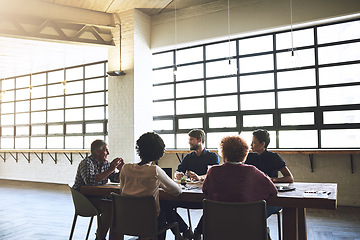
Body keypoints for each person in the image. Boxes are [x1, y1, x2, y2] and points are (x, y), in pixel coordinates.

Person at [202, 135, 278, 240]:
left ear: (223, 152)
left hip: (219, 228)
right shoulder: (252, 171)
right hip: (248, 228)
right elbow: (273, 191)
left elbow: (205, 190)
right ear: (244, 153)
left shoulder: (213, 171)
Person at [119, 132, 182, 240]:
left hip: (127, 219)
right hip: (150, 222)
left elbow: (122, 191)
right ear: (159, 152)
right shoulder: (154, 170)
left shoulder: (125, 168)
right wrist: (161, 185)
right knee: (164, 211)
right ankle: (183, 233)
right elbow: (177, 191)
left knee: (163, 206)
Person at [73, 139, 124, 240]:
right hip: (84, 199)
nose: (108, 153)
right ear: (97, 152)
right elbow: (90, 181)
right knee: (111, 207)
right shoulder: (86, 163)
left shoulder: (105, 163)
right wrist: (110, 169)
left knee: (118, 204)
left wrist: (122, 170)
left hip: (99, 197)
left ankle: (113, 238)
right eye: (106, 150)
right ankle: (100, 237)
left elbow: (114, 178)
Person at [174, 129, 220, 240]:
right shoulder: (188, 157)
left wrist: (200, 177)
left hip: (203, 195)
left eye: (191, 140)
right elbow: (177, 171)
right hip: (187, 194)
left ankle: (198, 231)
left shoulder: (213, 156)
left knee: (214, 205)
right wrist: (178, 174)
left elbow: (213, 174)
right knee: (167, 204)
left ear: (199, 140)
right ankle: (184, 230)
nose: (189, 142)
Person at [245, 129, 294, 217]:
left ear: (262, 144)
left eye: (254, 142)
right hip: (254, 195)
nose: (251, 145)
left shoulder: (274, 157)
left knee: (259, 212)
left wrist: (272, 179)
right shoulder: (249, 157)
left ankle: (258, 228)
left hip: (271, 197)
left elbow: (290, 178)